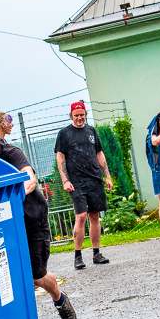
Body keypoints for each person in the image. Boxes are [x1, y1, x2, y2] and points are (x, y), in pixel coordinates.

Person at [0, 117, 77, 319]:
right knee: (1, 279)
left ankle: (60, 299)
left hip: (31, 219)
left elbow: (28, 175)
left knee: (36, 276)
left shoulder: (11, 153)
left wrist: (23, 188)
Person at [54, 101, 112, 270]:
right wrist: (65, 180)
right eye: (76, 115)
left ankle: (96, 253)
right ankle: (77, 256)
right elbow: (60, 157)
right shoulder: (64, 134)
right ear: (71, 116)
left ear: (85, 114)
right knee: (81, 216)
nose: (79, 118)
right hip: (76, 182)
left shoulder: (91, 131)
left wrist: (107, 176)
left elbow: (99, 153)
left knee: (95, 216)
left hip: (94, 179)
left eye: (82, 115)